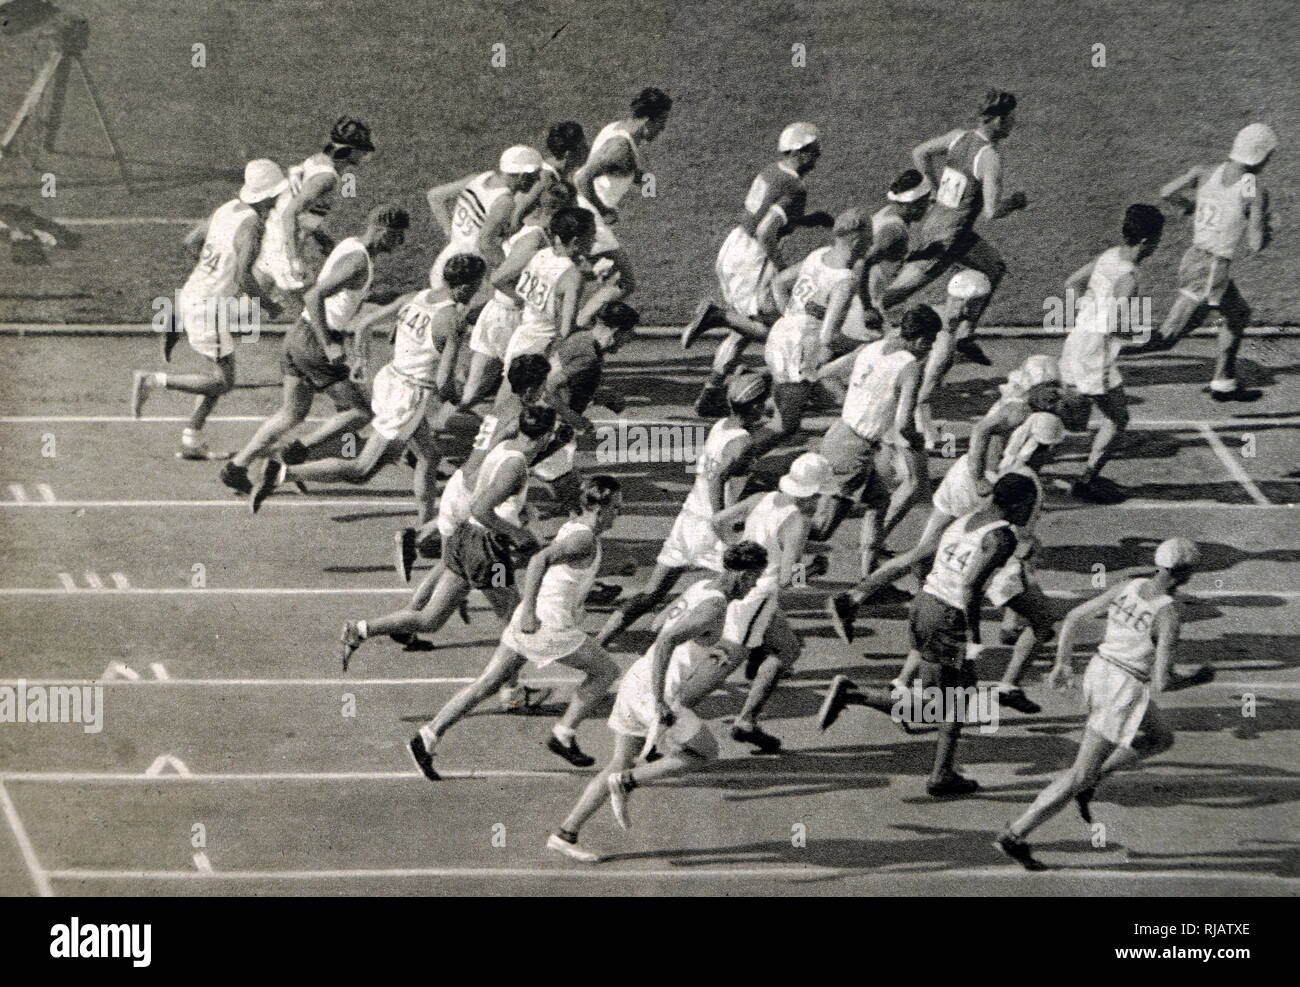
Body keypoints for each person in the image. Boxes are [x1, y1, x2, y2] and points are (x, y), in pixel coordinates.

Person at [547, 541, 771, 863]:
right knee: (704, 752)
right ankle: (628, 782)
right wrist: (661, 701)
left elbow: (659, 623)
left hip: (636, 678)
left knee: (618, 761)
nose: (755, 586)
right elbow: (667, 640)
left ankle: (565, 833)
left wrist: (706, 648)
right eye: (754, 578)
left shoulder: (701, 586)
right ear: (742, 574)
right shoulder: (716, 607)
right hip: (654, 692)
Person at [994, 539, 1211, 870]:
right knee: (1079, 773)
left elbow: (1073, 618)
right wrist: (1198, 679)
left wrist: (1063, 662)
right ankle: (1016, 833)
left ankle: (1096, 776)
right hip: (1122, 689)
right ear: (1186, 573)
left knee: (1160, 738)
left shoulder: (1131, 585)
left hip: (1101, 670)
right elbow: (1162, 682)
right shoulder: (1168, 616)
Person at [819, 473, 1039, 797]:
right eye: (1030, 507)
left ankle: (943, 772)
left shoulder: (967, 519)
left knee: (959, 695)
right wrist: (973, 637)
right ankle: (855, 695)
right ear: (1018, 504)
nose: (1030, 515)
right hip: (948, 616)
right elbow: (970, 588)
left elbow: (927, 557)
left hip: (926, 603)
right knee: (942, 704)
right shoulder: (1002, 537)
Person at [407, 476, 625, 778]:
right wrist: (530, 614)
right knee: (606, 672)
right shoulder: (583, 538)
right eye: (617, 507)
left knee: (487, 684)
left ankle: (427, 737)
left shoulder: (578, 532)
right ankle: (563, 734)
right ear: (600, 510)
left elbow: (568, 569)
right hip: (547, 624)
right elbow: (538, 561)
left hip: (532, 619)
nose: (619, 513)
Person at [247, 254, 486, 517]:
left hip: (389, 379)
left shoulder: (415, 297)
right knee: (361, 470)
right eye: (477, 287)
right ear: (465, 286)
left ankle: (426, 522)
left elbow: (364, 325)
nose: (475, 293)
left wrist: (362, 360)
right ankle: (282, 472)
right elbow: (443, 381)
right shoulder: (452, 321)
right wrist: (462, 400)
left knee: (429, 455)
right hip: (409, 396)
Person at [827, 370, 1062, 635]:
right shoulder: (1024, 415)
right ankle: (1014, 624)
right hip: (980, 486)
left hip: (962, 478)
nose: (1058, 398)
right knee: (1012, 549)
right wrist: (979, 478)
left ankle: (855, 596)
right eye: (1054, 392)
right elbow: (981, 432)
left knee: (925, 550)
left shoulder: (1015, 406)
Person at [338, 404, 556, 667]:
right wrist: (517, 533)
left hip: (463, 538)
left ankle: (360, 629)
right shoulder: (516, 466)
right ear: (545, 436)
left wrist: (518, 509)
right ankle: (510, 690)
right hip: (487, 548)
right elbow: (482, 508)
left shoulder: (504, 447)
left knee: (430, 619)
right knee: (513, 616)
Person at [218, 204, 409, 495]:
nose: (401, 243)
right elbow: (314, 295)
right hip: (315, 341)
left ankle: (237, 467)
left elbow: (337, 295)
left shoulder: (351, 246)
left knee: (292, 412)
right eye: (398, 236)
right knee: (360, 412)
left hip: (297, 335)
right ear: (382, 230)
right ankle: (294, 454)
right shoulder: (359, 261)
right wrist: (329, 343)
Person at [598, 371, 774, 648]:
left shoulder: (721, 427)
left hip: (688, 520)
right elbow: (718, 478)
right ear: (754, 407)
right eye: (764, 403)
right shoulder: (743, 444)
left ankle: (602, 639)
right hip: (711, 528)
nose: (766, 407)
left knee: (651, 593)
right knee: (745, 591)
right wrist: (722, 520)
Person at [130, 159, 286, 460]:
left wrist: (210, 273)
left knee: (217, 372)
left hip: (194, 293)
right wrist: (269, 306)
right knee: (224, 381)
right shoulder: (253, 225)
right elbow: (243, 277)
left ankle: (191, 438)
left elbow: (191, 242)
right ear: (268, 195)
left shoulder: (227, 208)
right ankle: (152, 380)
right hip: (209, 308)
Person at [683, 122, 833, 414]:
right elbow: (766, 232)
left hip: (734, 246)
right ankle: (719, 317)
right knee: (777, 328)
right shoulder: (795, 186)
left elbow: (765, 214)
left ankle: (712, 391)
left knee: (746, 328)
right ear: (801, 152)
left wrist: (807, 220)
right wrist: (783, 268)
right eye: (814, 153)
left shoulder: (771, 171)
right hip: (754, 257)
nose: (817, 159)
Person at [880, 90, 1029, 366]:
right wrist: (1016, 202)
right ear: (997, 120)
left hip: (948, 228)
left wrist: (933, 186)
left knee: (994, 267)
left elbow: (920, 152)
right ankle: (856, 321)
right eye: (1011, 118)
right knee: (891, 296)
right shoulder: (989, 158)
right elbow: (992, 210)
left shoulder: (958, 136)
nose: (1014, 123)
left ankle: (964, 334)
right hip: (946, 239)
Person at [1131, 123, 1277, 402]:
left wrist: (1192, 206)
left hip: (1195, 259)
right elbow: (1255, 244)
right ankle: (1100, 348)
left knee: (1237, 314)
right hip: (1210, 269)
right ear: (1261, 156)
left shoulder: (1206, 171)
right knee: (1167, 337)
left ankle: (1224, 381)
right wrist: (1266, 225)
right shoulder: (1253, 188)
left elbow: (1166, 193)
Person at [708, 452, 837, 752]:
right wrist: (815, 569)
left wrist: (736, 549)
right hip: (759, 596)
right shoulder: (797, 523)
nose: (820, 501)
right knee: (724, 661)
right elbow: (786, 579)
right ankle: (743, 718)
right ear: (812, 493)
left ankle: (748, 717)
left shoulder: (761, 499)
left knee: (788, 647)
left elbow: (717, 521)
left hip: (738, 583)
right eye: (820, 495)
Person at [812, 305, 941, 575]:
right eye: (929, 345)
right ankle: (775, 553)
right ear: (922, 340)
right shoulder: (910, 368)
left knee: (878, 502)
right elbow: (904, 422)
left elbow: (825, 372)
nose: (928, 352)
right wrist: (917, 440)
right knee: (822, 530)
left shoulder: (872, 348)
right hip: (853, 450)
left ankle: (868, 575)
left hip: (838, 434)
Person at [1059, 204, 1165, 500]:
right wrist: (1146, 335)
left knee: (1065, 410)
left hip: (1076, 342)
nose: (1158, 244)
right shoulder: (1129, 278)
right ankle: (1086, 481)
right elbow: (1114, 325)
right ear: (1146, 241)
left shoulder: (1108, 255)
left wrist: (1086, 313)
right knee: (1118, 419)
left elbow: (1071, 283)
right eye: (1158, 238)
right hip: (1095, 355)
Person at [457, 183, 576, 414]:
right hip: (509, 317)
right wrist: (525, 300)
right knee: (513, 390)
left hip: (497, 312)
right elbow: (500, 278)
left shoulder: (527, 227)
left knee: (475, 390)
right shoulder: (536, 238)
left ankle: (442, 428)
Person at [760, 207, 869, 444]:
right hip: (798, 350)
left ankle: (754, 399)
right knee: (785, 427)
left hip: (781, 336)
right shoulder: (845, 280)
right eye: (869, 237)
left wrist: (791, 317)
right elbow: (829, 338)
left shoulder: (817, 255)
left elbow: (778, 283)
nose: (871, 243)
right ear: (858, 239)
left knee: (787, 411)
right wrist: (863, 346)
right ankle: (735, 457)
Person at [572, 87, 674, 313]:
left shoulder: (618, 128)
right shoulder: (620, 147)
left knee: (581, 274)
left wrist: (643, 180)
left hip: (583, 214)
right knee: (623, 282)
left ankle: (577, 324)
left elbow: (618, 168)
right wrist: (604, 209)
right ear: (648, 120)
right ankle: (582, 325)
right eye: (662, 121)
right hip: (589, 217)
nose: (663, 128)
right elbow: (583, 178)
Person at [253, 116, 375, 302]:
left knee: (251, 303)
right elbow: (290, 214)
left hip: (275, 234)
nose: (364, 155)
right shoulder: (326, 178)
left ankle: (215, 324)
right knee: (315, 303)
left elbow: (299, 208)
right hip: (284, 244)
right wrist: (294, 259)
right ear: (349, 150)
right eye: (362, 150)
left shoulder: (318, 160)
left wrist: (320, 236)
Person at [425, 145, 543, 288]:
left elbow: (435, 196)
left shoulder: (480, 178)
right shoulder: (504, 201)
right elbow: (485, 243)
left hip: (446, 260)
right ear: (523, 176)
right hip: (468, 274)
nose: (537, 180)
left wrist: (451, 233)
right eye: (535, 175)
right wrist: (507, 270)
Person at [499, 206, 595, 366]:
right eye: (591, 236)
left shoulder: (541, 253)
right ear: (576, 241)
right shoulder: (573, 277)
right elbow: (566, 330)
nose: (594, 240)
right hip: (542, 347)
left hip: (520, 336)